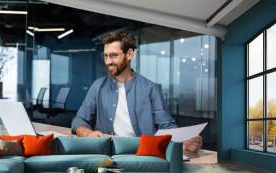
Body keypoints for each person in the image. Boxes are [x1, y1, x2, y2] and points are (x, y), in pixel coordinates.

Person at [71, 31, 202, 152]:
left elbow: (167, 127)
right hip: (107, 153)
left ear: (129, 54)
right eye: (105, 56)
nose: (108, 61)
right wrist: (87, 133)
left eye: (114, 56)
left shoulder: (151, 89)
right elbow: (79, 120)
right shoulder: (98, 86)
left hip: (141, 154)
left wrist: (186, 140)